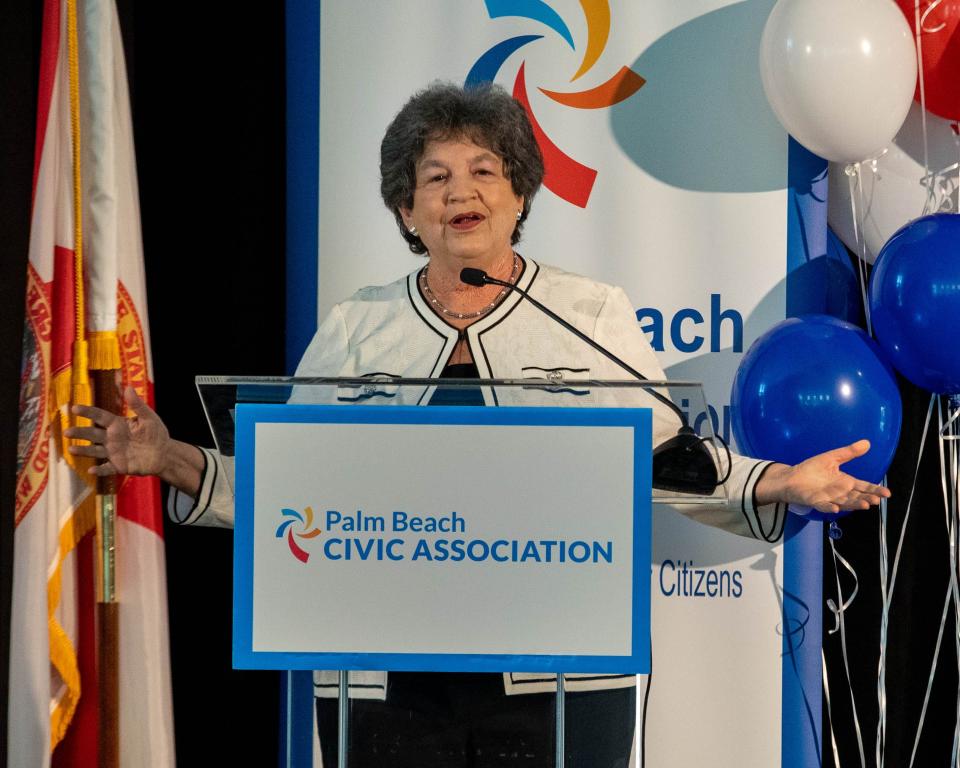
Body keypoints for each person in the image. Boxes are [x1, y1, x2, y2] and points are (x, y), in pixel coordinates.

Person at [67, 83, 890, 767]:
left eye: (484, 171)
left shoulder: (586, 313)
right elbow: (292, 488)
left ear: (521, 193)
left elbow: (663, 458)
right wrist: (167, 454)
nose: (461, 193)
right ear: (405, 209)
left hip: (559, 671)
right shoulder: (359, 327)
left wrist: (782, 480)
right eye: (435, 178)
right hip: (381, 675)